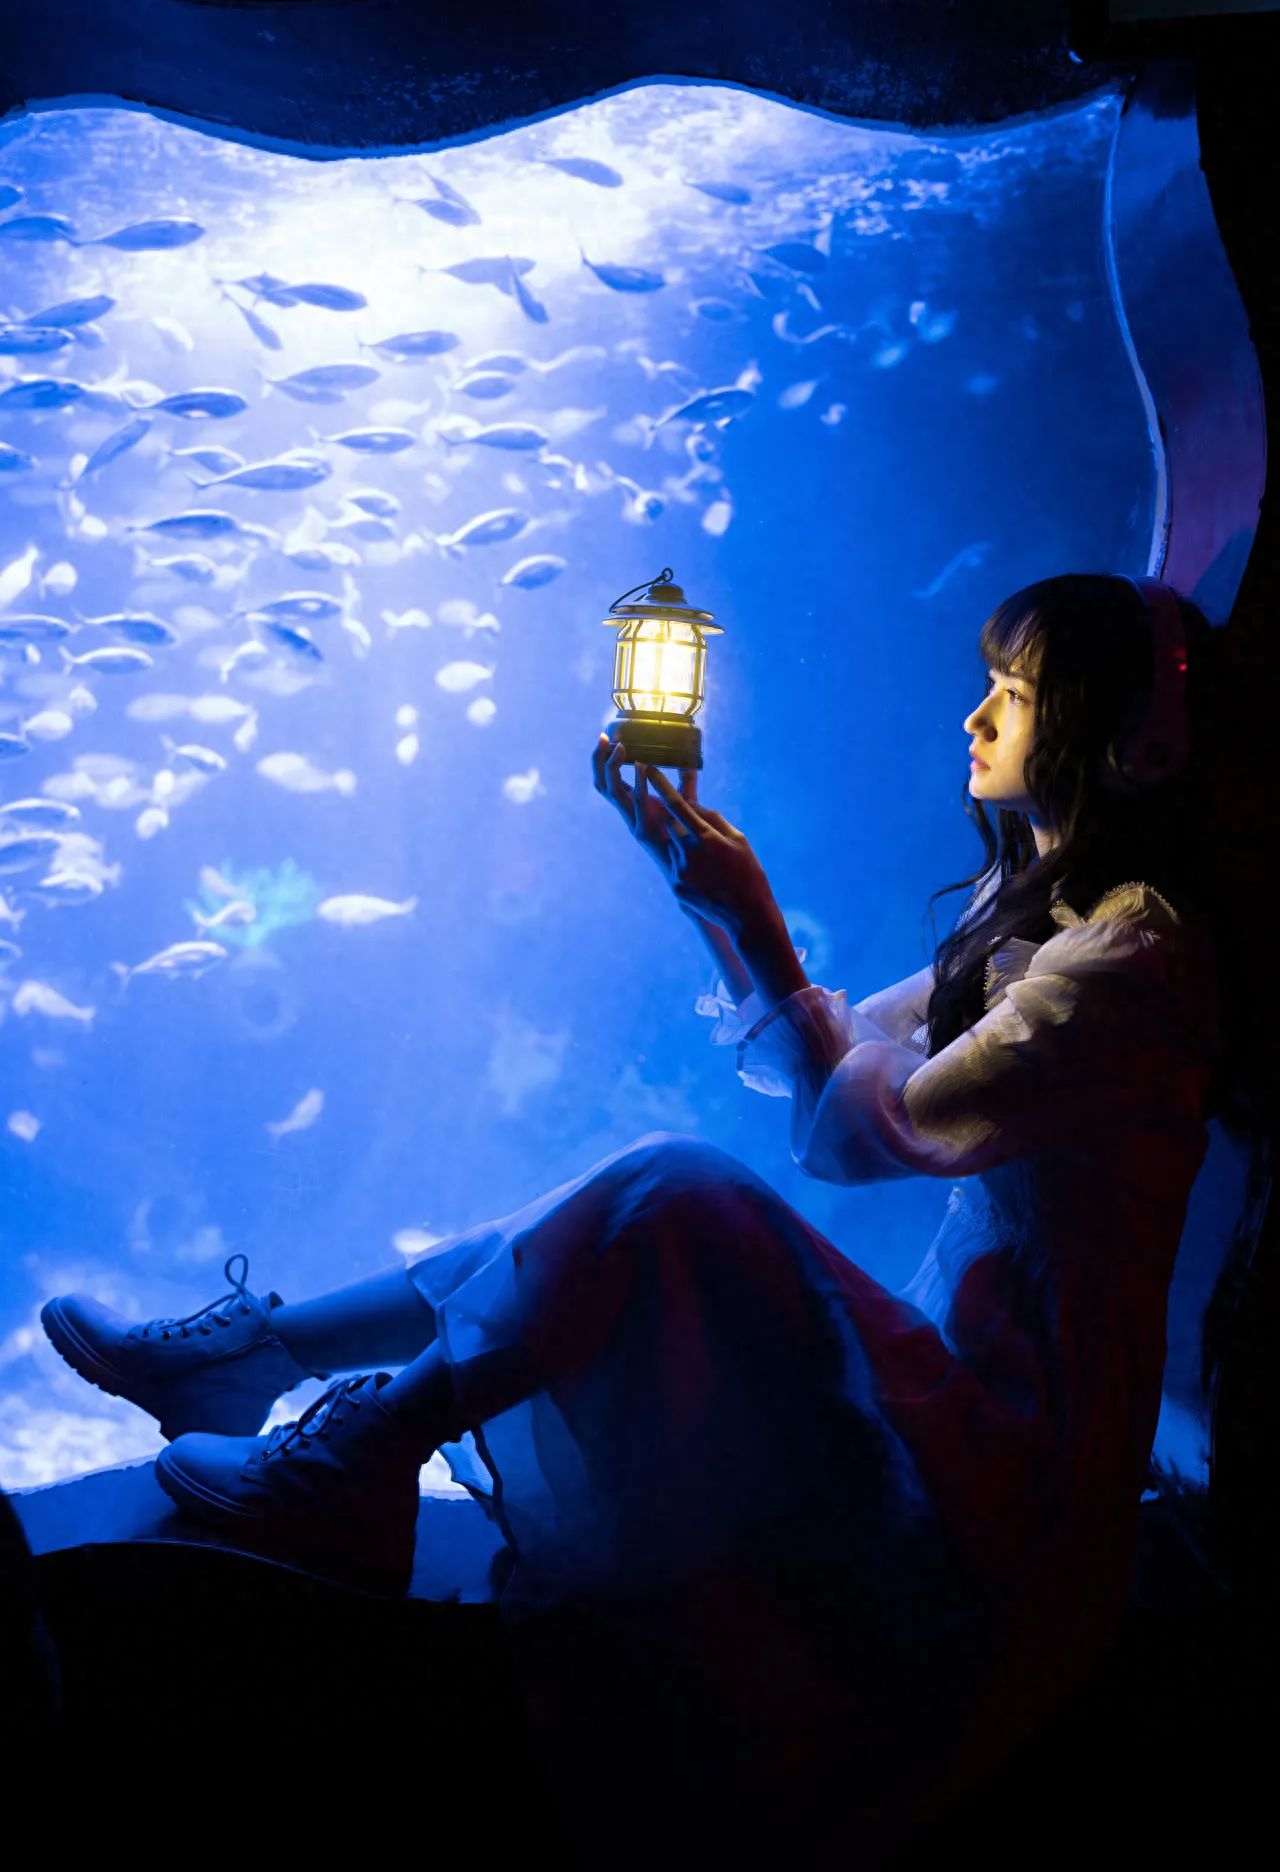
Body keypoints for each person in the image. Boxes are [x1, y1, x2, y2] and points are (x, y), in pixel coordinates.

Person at [40, 571, 1231, 1858]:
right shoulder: (1053, 931)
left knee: (671, 1190)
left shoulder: (1129, 965)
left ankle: (330, 1435)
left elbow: (867, 1133)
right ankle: (272, 1373)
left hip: (1011, 1503)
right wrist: (712, 906)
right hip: (955, 1405)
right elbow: (840, 1059)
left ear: (1122, 743)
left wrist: (755, 922)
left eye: (1013, 692)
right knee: (638, 1199)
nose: (972, 717)